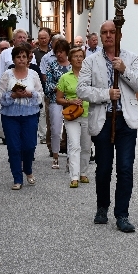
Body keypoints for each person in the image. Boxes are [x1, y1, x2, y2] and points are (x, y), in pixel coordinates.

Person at [77, 21, 138, 233]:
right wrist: (106, 94)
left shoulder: (132, 58)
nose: (108, 36)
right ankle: (102, 207)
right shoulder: (90, 61)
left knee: (125, 168)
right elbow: (82, 90)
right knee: (104, 168)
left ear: (119, 35)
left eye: (112, 32)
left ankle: (122, 214)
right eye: (104, 32)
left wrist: (123, 70)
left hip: (126, 121)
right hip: (103, 120)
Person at [0, 44, 43, 190]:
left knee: (29, 146)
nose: (21, 60)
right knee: (14, 147)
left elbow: (41, 95)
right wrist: (13, 95)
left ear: (28, 58)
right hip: (10, 115)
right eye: (18, 57)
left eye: (24, 57)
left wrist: (30, 94)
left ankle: (27, 169)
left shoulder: (33, 74)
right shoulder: (7, 74)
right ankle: (17, 178)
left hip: (30, 114)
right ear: (13, 59)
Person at [56, 47, 91, 188]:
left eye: (81, 56)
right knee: (74, 145)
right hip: (72, 115)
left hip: (88, 113)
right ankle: (74, 176)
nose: (78, 59)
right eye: (75, 56)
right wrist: (70, 101)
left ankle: (83, 173)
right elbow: (58, 99)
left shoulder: (89, 76)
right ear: (70, 60)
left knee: (86, 147)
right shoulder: (65, 77)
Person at [45, 39, 72, 169]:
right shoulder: (51, 65)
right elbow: (48, 85)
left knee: (71, 130)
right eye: (56, 52)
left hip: (71, 101)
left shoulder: (73, 66)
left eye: (61, 52)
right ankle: (55, 156)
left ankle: (70, 157)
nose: (59, 54)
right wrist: (61, 87)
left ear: (66, 52)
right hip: (56, 100)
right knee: (55, 130)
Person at [33, 28, 52, 144]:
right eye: (41, 38)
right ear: (38, 39)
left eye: (45, 38)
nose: (43, 40)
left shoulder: (53, 51)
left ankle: (49, 134)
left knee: (49, 111)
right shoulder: (34, 53)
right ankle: (42, 134)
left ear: (49, 38)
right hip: (39, 85)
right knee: (42, 112)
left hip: (50, 86)